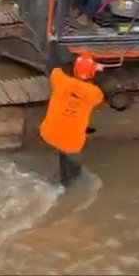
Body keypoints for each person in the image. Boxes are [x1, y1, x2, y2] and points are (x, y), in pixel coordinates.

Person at [39, 53, 105, 187]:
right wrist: (98, 69)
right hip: (72, 142)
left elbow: (53, 64)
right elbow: (100, 94)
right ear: (92, 73)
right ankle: (67, 186)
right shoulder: (94, 94)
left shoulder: (60, 80)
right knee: (73, 171)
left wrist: (52, 41)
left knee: (62, 148)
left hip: (48, 133)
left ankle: (61, 176)